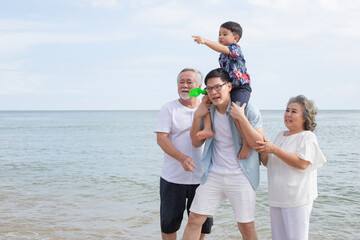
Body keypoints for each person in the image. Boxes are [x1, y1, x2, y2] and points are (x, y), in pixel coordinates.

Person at [182, 68, 264, 240]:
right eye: (209, 88)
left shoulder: (248, 110)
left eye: (217, 87)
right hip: (214, 174)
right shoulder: (207, 110)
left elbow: (259, 144)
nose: (213, 92)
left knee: (246, 226)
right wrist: (197, 116)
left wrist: (241, 117)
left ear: (229, 86)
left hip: (241, 175)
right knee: (194, 219)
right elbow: (196, 142)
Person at [254, 95, 326, 240]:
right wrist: (263, 151)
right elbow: (270, 164)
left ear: (305, 117)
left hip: (297, 199)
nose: (288, 114)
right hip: (277, 197)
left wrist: (274, 149)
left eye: (294, 111)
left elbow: (302, 163)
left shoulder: (307, 137)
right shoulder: (281, 135)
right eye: (287, 110)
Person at [154, 68, 213, 240]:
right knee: (169, 225)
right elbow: (162, 139)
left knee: (202, 227)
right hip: (173, 179)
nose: (185, 85)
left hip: (203, 179)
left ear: (199, 86)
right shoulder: (169, 108)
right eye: (181, 82)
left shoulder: (209, 109)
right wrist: (182, 158)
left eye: (189, 82)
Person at [192, 21, 252, 159]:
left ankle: (246, 143)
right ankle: (207, 128)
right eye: (219, 34)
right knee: (205, 100)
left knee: (236, 112)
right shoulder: (222, 56)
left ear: (235, 38)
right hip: (227, 87)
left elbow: (221, 48)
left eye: (225, 34)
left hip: (241, 87)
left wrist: (204, 41)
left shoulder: (235, 49)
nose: (220, 36)